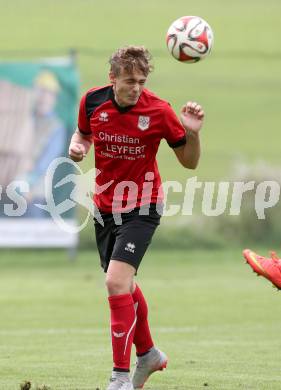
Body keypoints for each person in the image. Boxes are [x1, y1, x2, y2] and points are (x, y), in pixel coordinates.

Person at [68, 45, 204, 390]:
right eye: (129, 80)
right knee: (124, 284)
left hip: (143, 205)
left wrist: (192, 132)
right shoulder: (92, 101)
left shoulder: (159, 111)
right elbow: (83, 133)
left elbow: (189, 162)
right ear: (112, 78)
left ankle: (120, 377)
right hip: (104, 206)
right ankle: (148, 355)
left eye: (141, 81)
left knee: (115, 283)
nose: (136, 87)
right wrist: (80, 147)